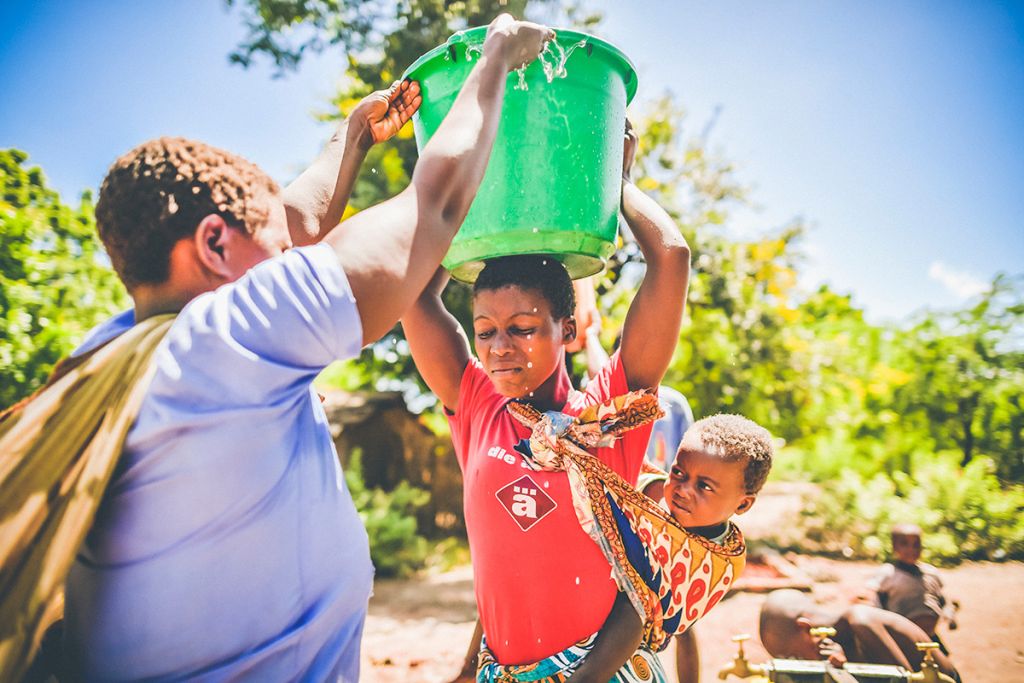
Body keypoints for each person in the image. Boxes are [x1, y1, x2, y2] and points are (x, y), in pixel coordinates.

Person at [9, 15, 554, 681]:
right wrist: (497, 54)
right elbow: (434, 205)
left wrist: (351, 139)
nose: (295, 258)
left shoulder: (112, 353)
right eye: (276, 250)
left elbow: (288, 221)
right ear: (213, 244)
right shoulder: (232, 335)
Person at [403, 119, 692, 681]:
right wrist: (469, 190)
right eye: (485, 331)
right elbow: (416, 293)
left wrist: (619, 182)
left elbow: (672, 258)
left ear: (567, 329)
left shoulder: (609, 413)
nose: (499, 348)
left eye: (523, 327)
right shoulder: (479, 407)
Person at [759, 589, 960, 682]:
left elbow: (901, 679)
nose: (798, 662)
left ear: (805, 628)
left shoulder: (861, 621)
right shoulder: (836, 641)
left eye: (793, 656)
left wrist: (849, 669)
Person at [860, 523, 957, 650]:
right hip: (901, 636)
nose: (911, 549)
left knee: (942, 666)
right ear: (895, 547)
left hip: (930, 636)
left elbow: (940, 598)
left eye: (916, 545)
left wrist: (950, 613)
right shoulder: (888, 573)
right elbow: (871, 595)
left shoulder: (930, 572)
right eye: (904, 544)